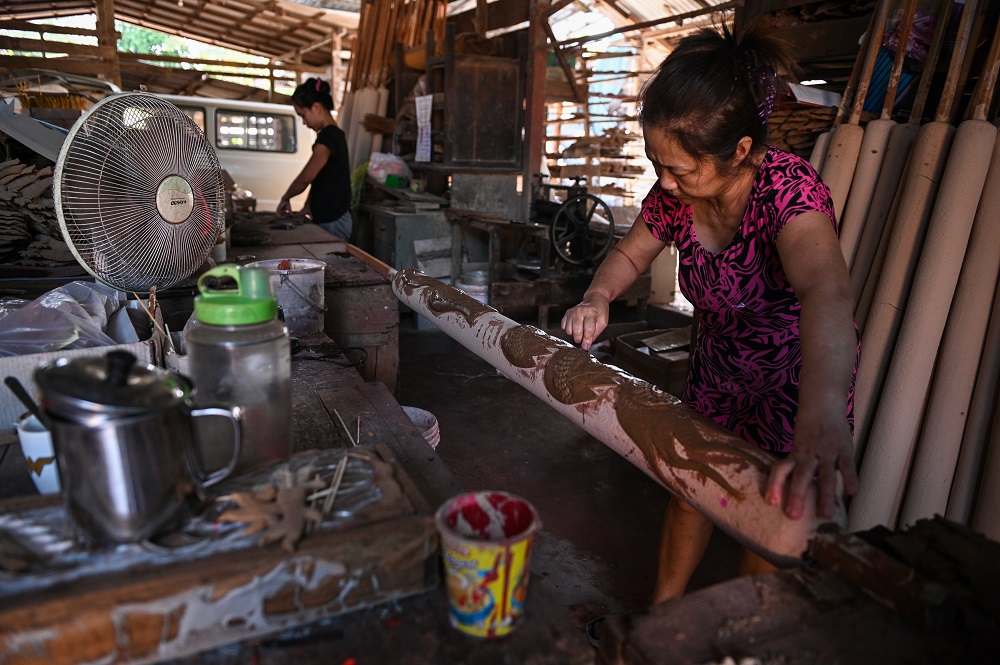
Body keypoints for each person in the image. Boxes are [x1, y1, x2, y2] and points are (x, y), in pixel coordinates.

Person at [561, 23, 860, 604]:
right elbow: (628, 253)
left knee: (769, 511)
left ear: (740, 151)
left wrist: (822, 409)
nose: (665, 183)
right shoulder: (672, 195)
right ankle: (662, 616)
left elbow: (827, 293)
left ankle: (742, 628)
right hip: (719, 368)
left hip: (794, 381)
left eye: (681, 170)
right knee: (690, 488)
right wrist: (598, 295)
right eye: (655, 163)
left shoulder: (788, 193)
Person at [277, 77, 353, 241]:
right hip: (332, 219)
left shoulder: (328, 138)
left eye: (303, 115)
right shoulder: (332, 136)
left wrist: (285, 197)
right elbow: (320, 178)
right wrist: (308, 206)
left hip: (334, 221)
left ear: (316, 107)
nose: (304, 122)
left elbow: (306, 177)